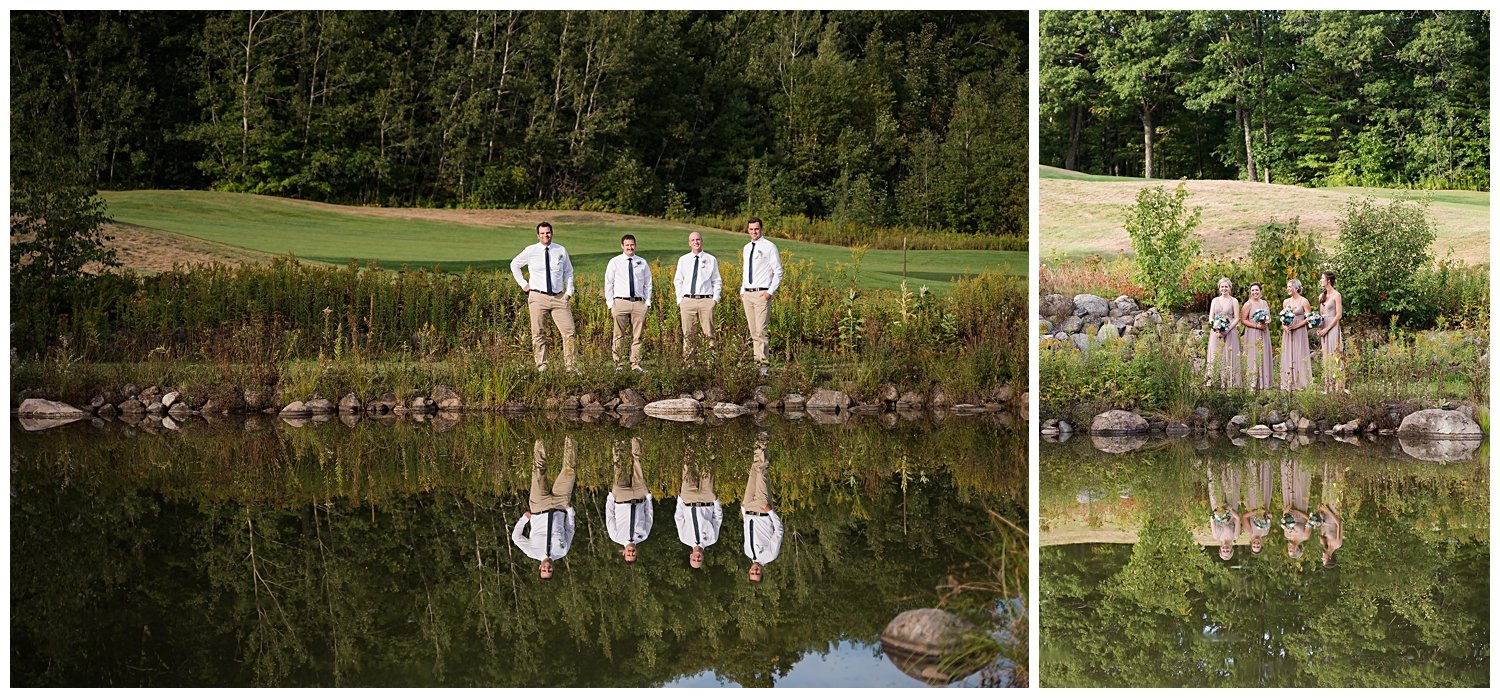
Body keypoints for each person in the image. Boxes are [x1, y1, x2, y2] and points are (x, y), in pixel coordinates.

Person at [510, 222, 577, 373]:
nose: (545, 236)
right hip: (538, 297)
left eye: (548, 233)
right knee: (538, 333)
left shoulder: (560, 250)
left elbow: (569, 271)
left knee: (569, 331)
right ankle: (542, 367)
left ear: (552, 233)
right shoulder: (531, 250)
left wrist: (569, 291)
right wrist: (523, 284)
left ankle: (571, 368)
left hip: (559, 297)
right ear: (537, 235)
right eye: (542, 233)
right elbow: (514, 264)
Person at [511, 437, 578, 579]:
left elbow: (516, 538)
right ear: (553, 569)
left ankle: (541, 436)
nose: (547, 568)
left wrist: (524, 520)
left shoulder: (532, 552)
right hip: (560, 505)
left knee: (539, 471)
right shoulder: (562, 551)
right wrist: (570, 513)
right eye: (550, 571)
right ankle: (570, 435)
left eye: (544, 570)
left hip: (539, 506)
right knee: (570, 470)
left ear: (540, 567)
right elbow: (570, 529)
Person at [740, 218, 783, 377]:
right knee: (753, 331)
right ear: (748, 230)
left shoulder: (769, 247)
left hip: (761, 294)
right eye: (751, 229)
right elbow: (746, 270)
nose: (753, 232)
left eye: (756, 229)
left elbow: (778, 271)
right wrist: (742, 290)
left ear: (761, 229)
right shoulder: (746, 248)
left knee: (761, 331)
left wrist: (769, 292)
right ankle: (756, 362)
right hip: (748, 294)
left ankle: (763, 367)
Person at [604, 234, 652, 372]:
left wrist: (647, 302)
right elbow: (609, 283)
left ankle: (635, 364)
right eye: (627, 245)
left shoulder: (642, 262)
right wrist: (610, 304)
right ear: (622, 246)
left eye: (632, 245)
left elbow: (648, 283)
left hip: (638, 303)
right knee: (618, 334)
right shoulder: (615, 262)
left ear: (635, 245)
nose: (630, 247)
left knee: (637, 335)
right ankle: (618, 364)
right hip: (620, 302)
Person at [673, 231, 722, 361]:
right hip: (688, 301)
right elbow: (678, 280)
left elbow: (716, 280)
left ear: (701, 241)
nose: (696, 242)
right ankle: (689, 365)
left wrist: (715, 299)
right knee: (688, 335)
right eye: (693, 240)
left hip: (706, 300)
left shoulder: (711, 259)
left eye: (698, 239)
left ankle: (710, 363)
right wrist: (680, 300)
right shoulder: (683, 260)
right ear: (689, 243)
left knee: (709, 334)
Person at [605, 436, 653, 562]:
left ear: (624, 553)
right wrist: (648, 498)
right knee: (638, 463)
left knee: (619, 466)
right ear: (636, 553)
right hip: (639, 497)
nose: (631, 552)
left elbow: (609, 517)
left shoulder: (615, 537)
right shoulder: (644, 535)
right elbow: (649, 516)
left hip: (621, 498)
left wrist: (611, 498)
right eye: (633, 554)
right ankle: (635, 437)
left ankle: (618, 437)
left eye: (628, 554)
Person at [741, 439, 782, 582]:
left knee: (753, 470)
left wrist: (743, 509)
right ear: (762, 572)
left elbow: (747, 530)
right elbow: (779, 531)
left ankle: (757, 439)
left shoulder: (747, 552)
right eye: (757, 573)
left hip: (748, 508)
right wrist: (771, 512)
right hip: (762, 510)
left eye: (752, 573)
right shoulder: (770, 556)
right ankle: (762, 436)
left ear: (749, 571)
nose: (755, 570)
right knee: (762, 471)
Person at [675, 448, 723, 569]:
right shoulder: (712, 539)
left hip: (689, 500)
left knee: (688, 467)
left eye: (694, 559)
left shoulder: (684, 538)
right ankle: (709, 439)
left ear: (690, 556)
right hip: (706, 500)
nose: (697, 557)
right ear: (703, 558)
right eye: (699, 559)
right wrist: (716, 502)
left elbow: (679, 518)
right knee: (708, 467)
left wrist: (680, 500)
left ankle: (690, 439)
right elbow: (717, 519)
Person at [1206, 277, 1242, 388]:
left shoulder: (1234, 301)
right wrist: (1215, 328)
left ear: (1230, 288)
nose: (1224, 288)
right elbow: (1211, 317)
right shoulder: (1214, 300)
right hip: (1215, 331)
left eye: (1226, 286)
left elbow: (1236, 318)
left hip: (1230, 331)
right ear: (1219, 288)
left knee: (1229, 354)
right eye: (1222, 286)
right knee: (1215, 353)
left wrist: (1227, 329)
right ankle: (1214, 381)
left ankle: (1231, 383)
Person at [1239, 282, 1275, 390]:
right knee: (1253, 355)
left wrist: (1266, 322)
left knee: (1264, 354)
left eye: (1257, 290)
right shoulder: (1248, 304)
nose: (1255, 292)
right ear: (1250, 292)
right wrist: (1256, 326)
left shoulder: (1264, 303)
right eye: (1253, 290)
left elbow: (1269, 317)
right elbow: (1243, 320)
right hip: (1252, 332)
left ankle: (1264, 382)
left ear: (1260, 291)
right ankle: (1252, 383)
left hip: (1264, 332)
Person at [1279, 279, 1312, 390]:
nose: (1288, 289)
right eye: (1287, 287)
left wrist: (1297, 326)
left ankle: (1301, 382)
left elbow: (1309, 318)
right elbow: (1282, 318)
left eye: (1290, 287)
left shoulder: (1304, 301)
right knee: (1288, 353)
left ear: (1296, 288)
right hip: (1288, 331)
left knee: (1299, 353)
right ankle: (1288, 382)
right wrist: (1284, 326)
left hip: (1299, 331)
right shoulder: (1286, 302)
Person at [1317, 271, 1346, 393]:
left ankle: (1338, 386)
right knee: (1326, 356)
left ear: (1328, 280)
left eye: (1322, 278)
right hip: (1324, 327)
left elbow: (1339, 315)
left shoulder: (1336, 295)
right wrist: (1318, 327)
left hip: (1332, 327)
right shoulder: (1321, 296)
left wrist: (1327, 329)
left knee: (1335, 354)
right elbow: (1321, 315)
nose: (1321, 280)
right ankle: (1328, 386)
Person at [1279, 457, 1312, 560]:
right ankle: (1301, 461)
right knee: (1300, 486)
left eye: (1289, 550)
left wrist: (1285, 512)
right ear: (1298, 549)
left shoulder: (1286, 535)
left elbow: (1284, 518)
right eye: (1291, 550)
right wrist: (1298, 511)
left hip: (1289, 507)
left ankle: (1287, 461)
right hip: (1301, 507)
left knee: (1288, 486)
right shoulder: (1305, 536)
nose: (1289, 548)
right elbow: (1310, 520)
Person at [1207, 464, 1241, 561]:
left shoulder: (1216, 536)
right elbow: (1237, 519)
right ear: (1231, 549)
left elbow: (1211, 519)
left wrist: (1216, 511)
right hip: (1231, 509)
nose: (1225, 549)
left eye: (1223, 551)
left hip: (1218, 508)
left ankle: (1213, 464)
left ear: (1220, 549)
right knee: (1230, 484)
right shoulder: (1235, 536)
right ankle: (1230, 463)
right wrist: (1229, 509)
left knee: (1215, 485)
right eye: (1227, 551)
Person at [1240, 459, 1274, 555]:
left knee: (1254, 485)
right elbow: (1269, 518)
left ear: (1251, 544)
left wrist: (1257, 511)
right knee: (1265, 486)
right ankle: (1265, 461)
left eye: (1254, 546)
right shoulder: (1265, 532)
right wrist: (1268, 513)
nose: (1256, 544)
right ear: (1262, 544)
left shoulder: (1249, 531)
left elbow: (1244, 517)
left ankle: (1252, 461)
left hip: (1254, 505)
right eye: (1258, 546)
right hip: (1265, 505)